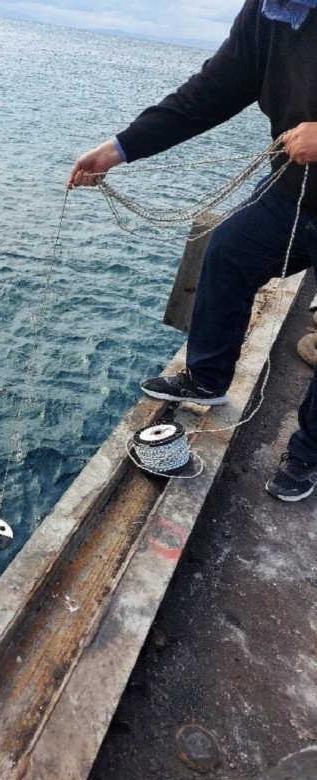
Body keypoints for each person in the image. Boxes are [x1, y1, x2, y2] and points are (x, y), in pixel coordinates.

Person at [68, 0, 317, 502]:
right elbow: (209, 92)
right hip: (294, 192)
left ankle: (310, 452)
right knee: (227, 250)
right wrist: (117, 149)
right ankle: (207, 380)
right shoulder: (268, 12)